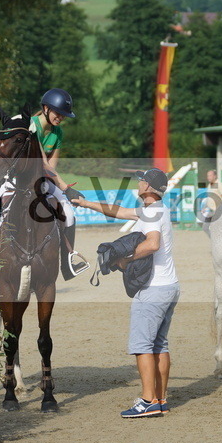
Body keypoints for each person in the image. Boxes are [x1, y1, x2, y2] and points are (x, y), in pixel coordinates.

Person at [72, 168, 178, 418]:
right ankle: (160, 399)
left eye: (142, 180)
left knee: (142, 346)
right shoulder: (157, 210)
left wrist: (124, 260)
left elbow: (152, 244)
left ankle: (147, 401)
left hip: (153, 290)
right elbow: (118, 211)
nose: (138, 183)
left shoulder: (151, 212)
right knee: (160, 345)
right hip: (170, 285)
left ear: (149, 187)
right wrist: (84, 202)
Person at [0, 88, 88, 278]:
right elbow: (43, 162)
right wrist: (65, 187)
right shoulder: (30, 126)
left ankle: (67, 261)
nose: (61, 118)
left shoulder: (58, 133)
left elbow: (51, 166)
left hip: (42, 181)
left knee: (69, 214)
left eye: (64, 115)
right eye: (58, 113)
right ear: (46, 108)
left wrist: (63, 189)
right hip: (15, 179)